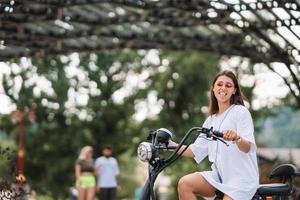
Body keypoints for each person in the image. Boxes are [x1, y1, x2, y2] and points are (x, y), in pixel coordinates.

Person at [169, 70, 259, 200]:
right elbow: (194, 151)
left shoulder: (240, 112)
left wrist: (237, 138)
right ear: (213, 88)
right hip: (219, 176)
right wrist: (170, 145)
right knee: (185, 183)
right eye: (219, 84)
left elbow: (248, 147)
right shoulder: (211, 120)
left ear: (234, 90)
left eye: (228, 85)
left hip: (242, 180)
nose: (223, 88)